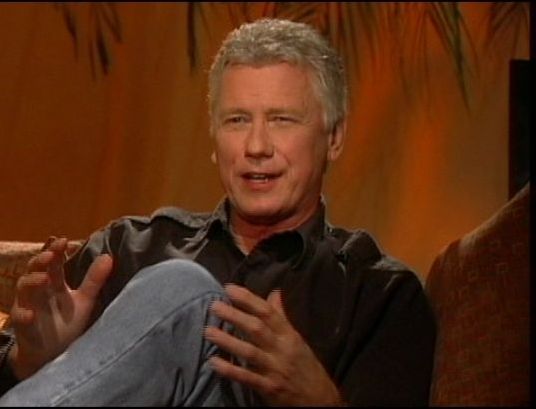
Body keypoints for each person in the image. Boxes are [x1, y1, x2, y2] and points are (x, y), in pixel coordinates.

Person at [0, 18, 436, 406]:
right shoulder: (127, 250)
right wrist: (29, 359)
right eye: (237, 120)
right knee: (181, 287)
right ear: (214, 138)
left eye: (282, 120)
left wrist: (317, 400)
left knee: (184, 287)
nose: (256, 146)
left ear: (334, 138)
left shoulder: (377, 293)